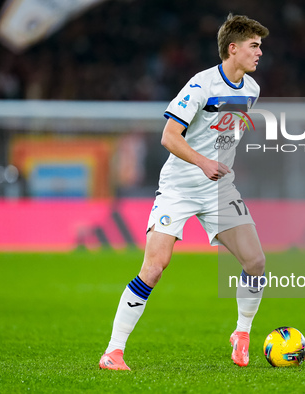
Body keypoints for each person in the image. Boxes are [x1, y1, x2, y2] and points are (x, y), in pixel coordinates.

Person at [99, 14, 269, 370]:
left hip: (219, 189)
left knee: (256, 261)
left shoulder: (251, 90)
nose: (260, 53)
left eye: (260, 46)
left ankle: (242, 333)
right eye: (254, 46)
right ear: (233, 49)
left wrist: (221, 165)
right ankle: (113, 351)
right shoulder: (200, 86)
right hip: (179, 188)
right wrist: (204, 162)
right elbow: (168, 137)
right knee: (154, 268)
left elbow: (225, 132)